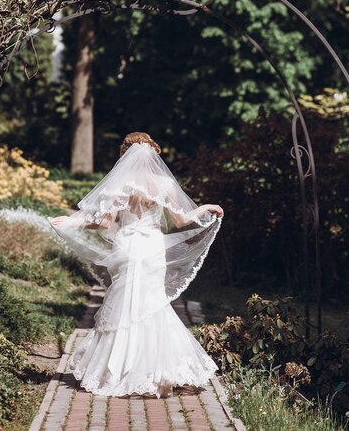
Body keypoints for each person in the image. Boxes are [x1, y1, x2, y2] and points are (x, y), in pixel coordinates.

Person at [49, 131, 224, 398]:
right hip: (153, 247)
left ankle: (117, 372)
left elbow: (103, 223)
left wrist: (73, 221)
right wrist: (206, 207)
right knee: (153, 305)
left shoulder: (120, 182)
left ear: (126, 154)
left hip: (128, 246)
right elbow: (181, 221)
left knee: (123, 307)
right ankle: (161, 372)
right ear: (151, 152)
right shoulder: (163, 183)